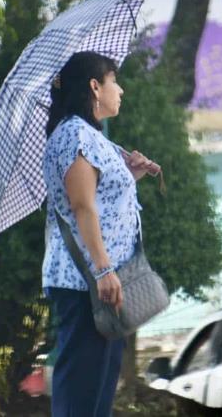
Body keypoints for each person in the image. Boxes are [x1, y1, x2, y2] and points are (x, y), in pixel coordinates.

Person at [43, 51, 157, 417]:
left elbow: (98, 200)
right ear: (95, 86)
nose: (120, 89)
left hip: (101, 281)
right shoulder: (76, 135)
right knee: (82, 393)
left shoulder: (92, 137)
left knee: (97, 395)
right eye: (114, 81)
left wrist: (130, 177)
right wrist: (104, 269)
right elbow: (82, 207)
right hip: (86, 283)